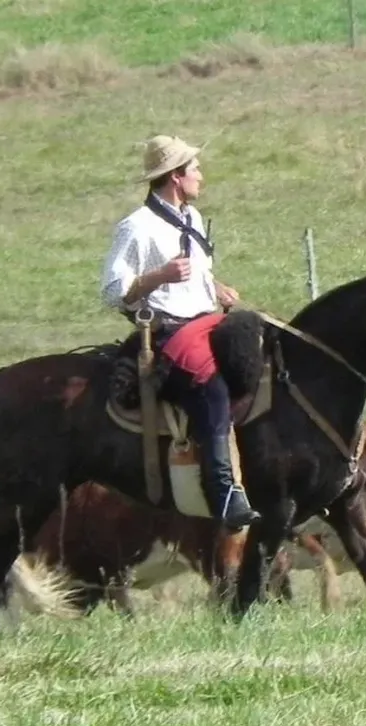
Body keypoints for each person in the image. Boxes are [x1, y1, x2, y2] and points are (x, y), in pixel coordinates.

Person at [100, 134, 261, 531]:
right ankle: (223, 493)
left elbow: (194, 277)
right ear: (175, 177)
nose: (201, 177)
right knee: (212, 387)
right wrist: (158, 276)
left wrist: (216, 288)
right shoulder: (136, 227)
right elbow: (113, 292)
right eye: (195, 170)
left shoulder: (190, 218)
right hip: (169, 334)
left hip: (207, 321)